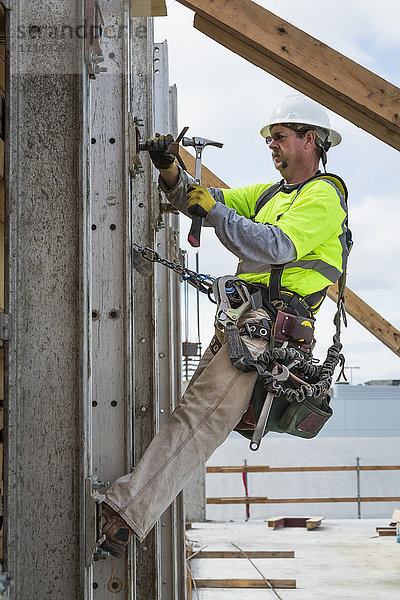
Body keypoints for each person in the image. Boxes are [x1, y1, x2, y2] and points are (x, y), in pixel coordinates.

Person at [100, 94, 349, 557]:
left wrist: (215, 213)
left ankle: (123, 515)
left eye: (279, 137)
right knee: (191, 418)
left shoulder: (324, 196)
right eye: (270, 139)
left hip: (267, 334)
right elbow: (197, 201)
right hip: (241, 325)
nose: (271, 146)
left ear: (309, 140)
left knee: (197, 422)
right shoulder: (269, 194)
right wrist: (170, 171)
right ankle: (126, 514)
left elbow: (275, 245)